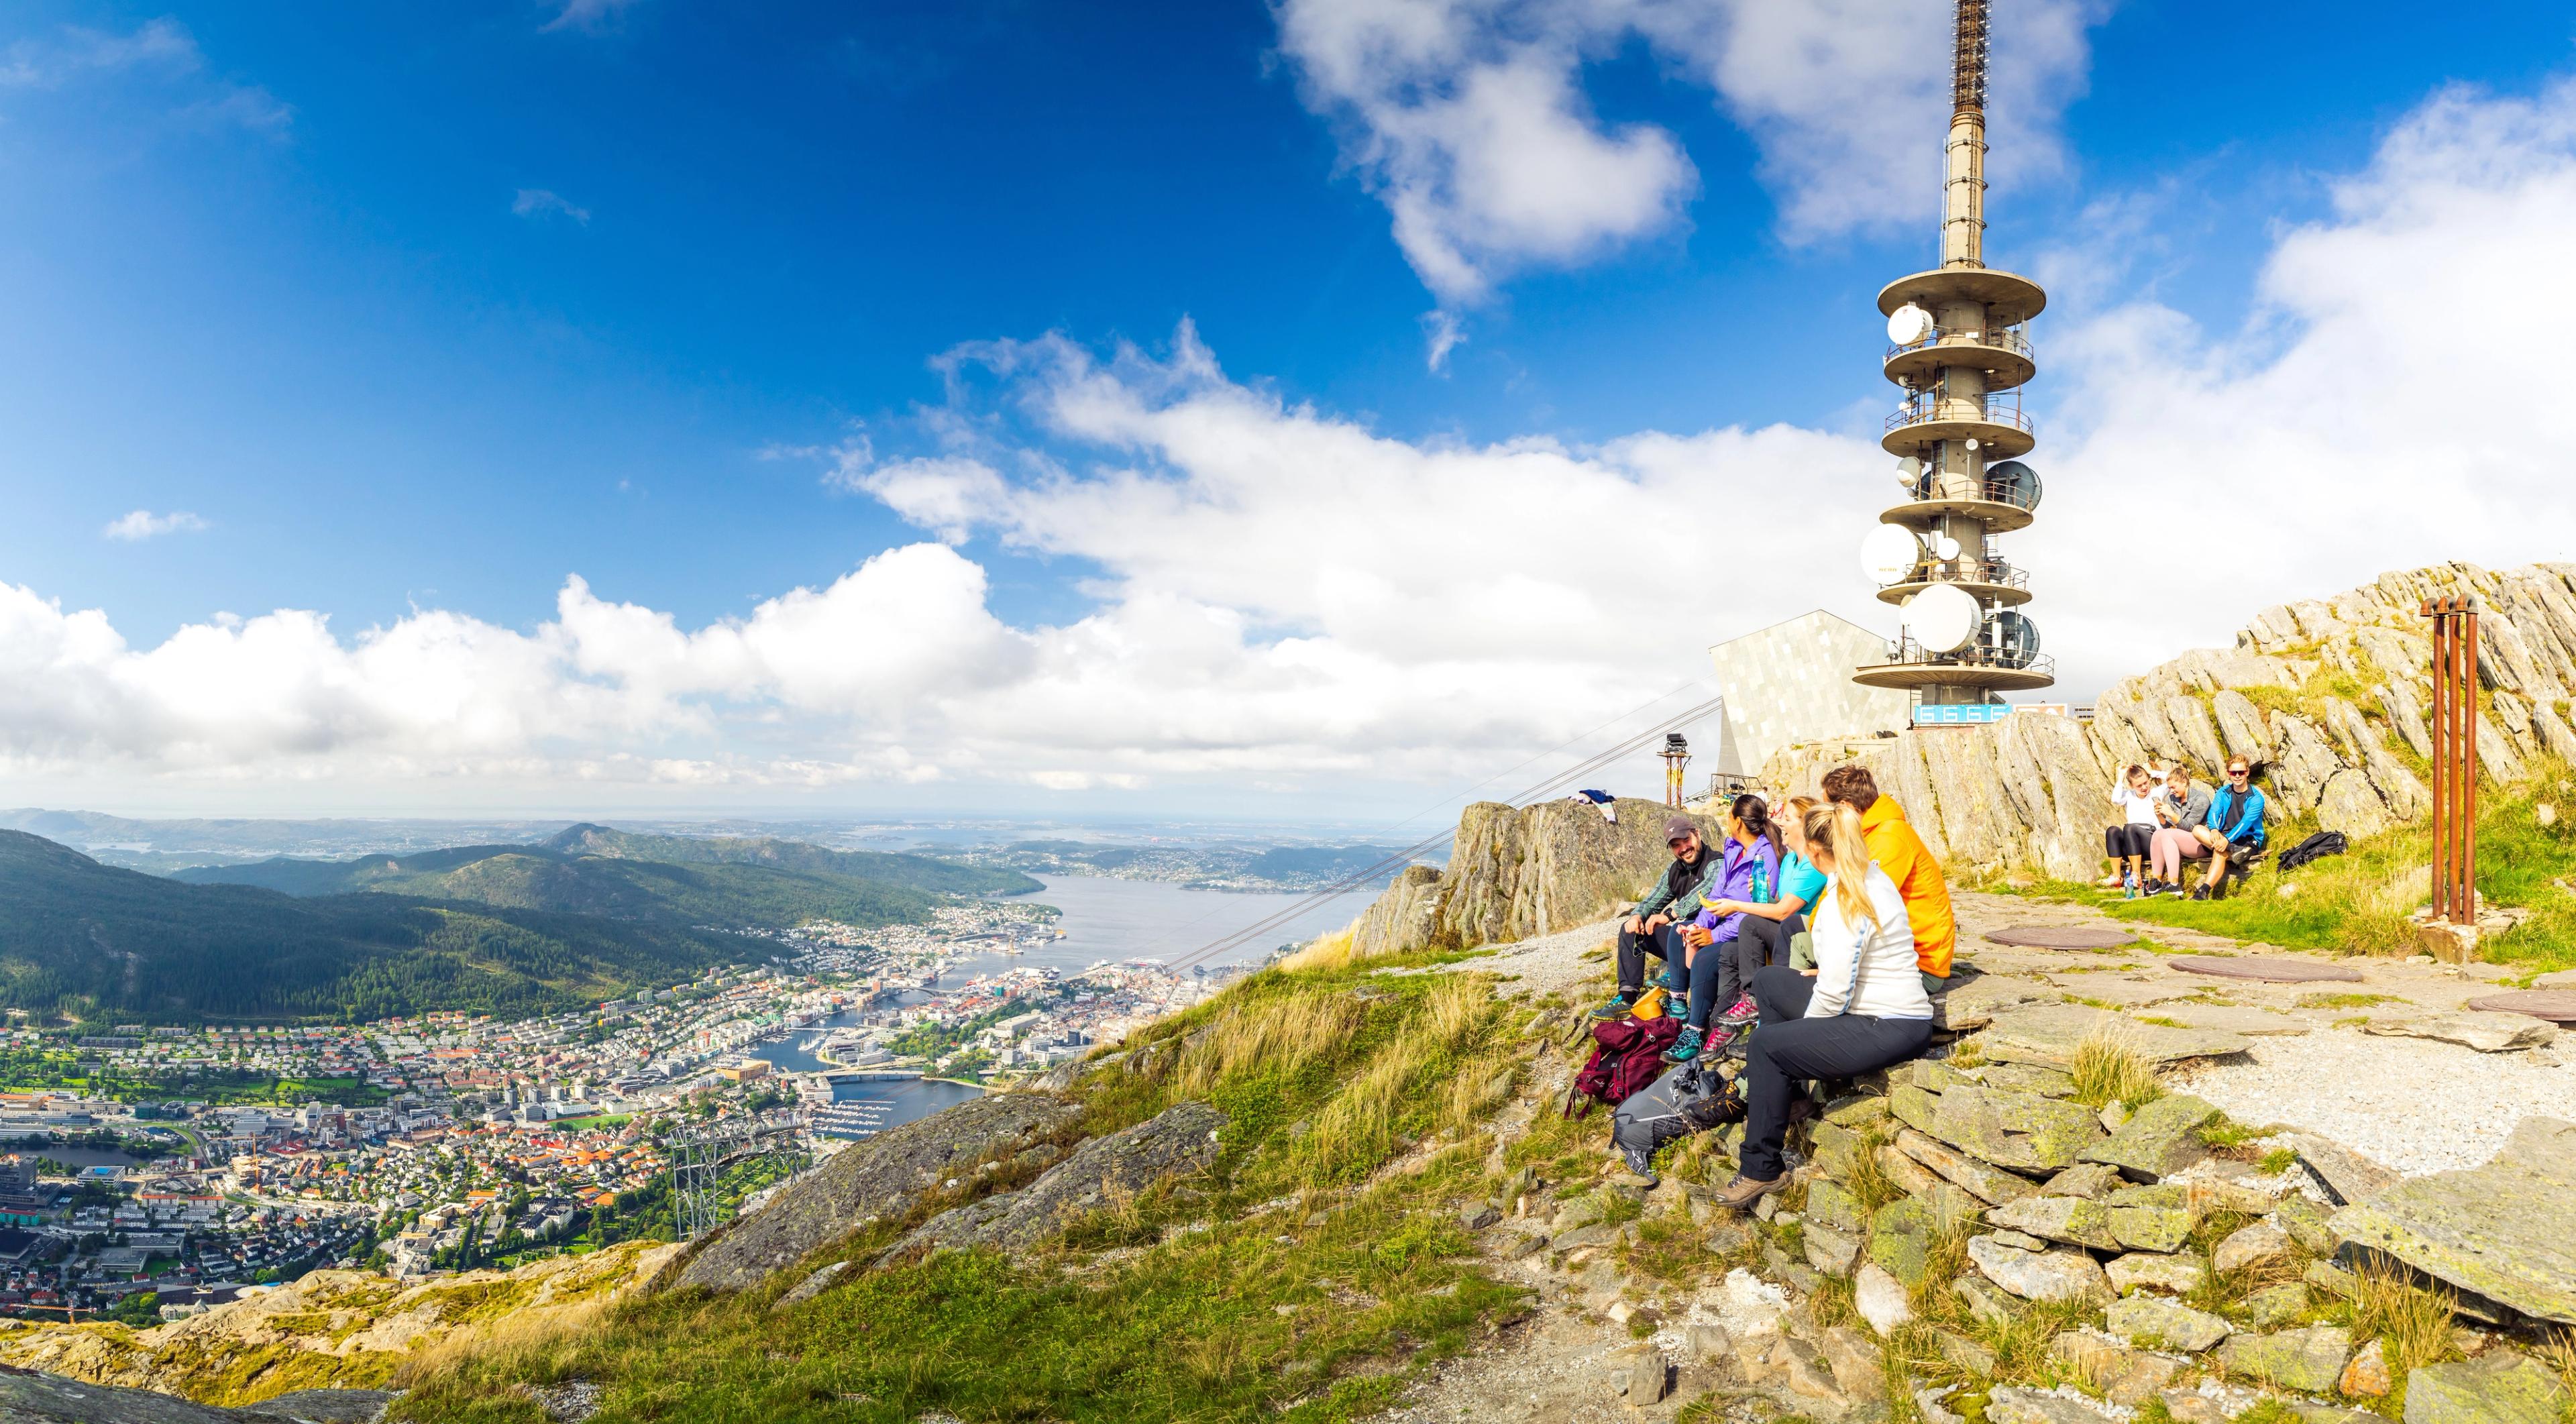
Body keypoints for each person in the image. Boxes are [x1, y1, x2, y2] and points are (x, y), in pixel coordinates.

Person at [1712, 802, 1935, 1209]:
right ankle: (1790, 1097)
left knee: (1768, 1046)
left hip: (1890, 1023)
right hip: (1870, 1008)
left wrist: (1798, 1039)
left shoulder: (1848, 896)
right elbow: (1848, 967)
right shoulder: (1865, 876)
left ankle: (1762, 1168)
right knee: (1770, 980)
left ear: (1815, 851)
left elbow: (1835, 993)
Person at [1691, 794, 1826, 1044]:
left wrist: (1736, 906)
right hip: (1787, 933)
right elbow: (1778, 907)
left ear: (1805, 825)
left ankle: (1754, 1001)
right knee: (1731, 952)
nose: (1779, 823)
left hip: (1807, 939)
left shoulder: (1814, 863)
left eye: (1787, 819)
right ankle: (1723, 1027)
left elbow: (1786, 912)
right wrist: (1762, 896)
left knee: (1749, 924)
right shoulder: (1788, 862)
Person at [1662, 795, 1783, 1064]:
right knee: (1678, 932)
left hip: (1746, 934)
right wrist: (1699, 926)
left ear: (1738, 821)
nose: (1727, 819)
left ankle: (1695, 1032)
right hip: (1724, 926)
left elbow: (1756, 913)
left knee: (1706, 958)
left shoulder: (1764, 857)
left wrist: (1713, 935)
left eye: (1730, 815)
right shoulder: (1733, 848)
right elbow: (1716, 895)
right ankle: (1679, 1007)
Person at [1819, 765, 1955, 995]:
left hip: (1920, 965)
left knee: (1805, 955)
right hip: (1894, 952)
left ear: (1843, 807)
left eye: (1827, 808)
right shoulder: (1869, 835)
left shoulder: (1889, 837)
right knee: (1795, 932)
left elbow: (1863, 904)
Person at [1591, 817, 1713, 1020]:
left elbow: (1705, 891)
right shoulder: (1675, 870)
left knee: (1678, 928)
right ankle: (1627, 998)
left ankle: (1678, 978)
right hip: (1680, 941)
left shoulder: (1715, 862)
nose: (1683, 848)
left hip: (1707, 942)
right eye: (1676, 845)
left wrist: (1669, 915)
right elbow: (1653, 899)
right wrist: (1637, 915)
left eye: (1686, 840)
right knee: (1631, 930)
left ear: (1697, 834)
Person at [2191, 755, 2268, 900]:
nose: (2237, 776)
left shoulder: (2257, 798)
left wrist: (2226, 840)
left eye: (2241, 772)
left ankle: (2203, 892)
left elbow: (2245, 824)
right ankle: (2235, 851)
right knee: (2197, 830)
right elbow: (2214, 811)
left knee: (2220, 851)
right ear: (2228, 773)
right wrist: (2214, 829)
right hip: (2225, 837)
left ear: (2247, 772)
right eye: (2233, 773)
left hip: (2247, 838)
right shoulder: (2223, 792)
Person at [2148, 765, 2212, 893]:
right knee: (2158, 833)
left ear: (2184, 782)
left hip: (2201, 844)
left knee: (2167, 835)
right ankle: (2157, 881)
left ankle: (2174, 884)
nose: (2171, 791)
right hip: (2181, 842)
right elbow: (2169, 828)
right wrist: (2160, 816)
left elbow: (2191, 828)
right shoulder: (2172, 799)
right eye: (2170, 787)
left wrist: (2172, 814)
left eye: (2173, 787)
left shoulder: (2201, 799)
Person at [2098, 764, 2161, 896]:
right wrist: (2120, 777)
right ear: (2132, 786)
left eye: (2145, 783)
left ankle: (2136, 874)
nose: (2144, 787)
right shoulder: (2129, 795)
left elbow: (2172, 779)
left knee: (2130, 827)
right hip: (2132, 845)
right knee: (2113, 831)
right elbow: (2115, 799)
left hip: (2150, 842)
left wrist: (2152, 772)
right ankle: (2116, 876)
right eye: (2139, 786)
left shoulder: (2156, 793)